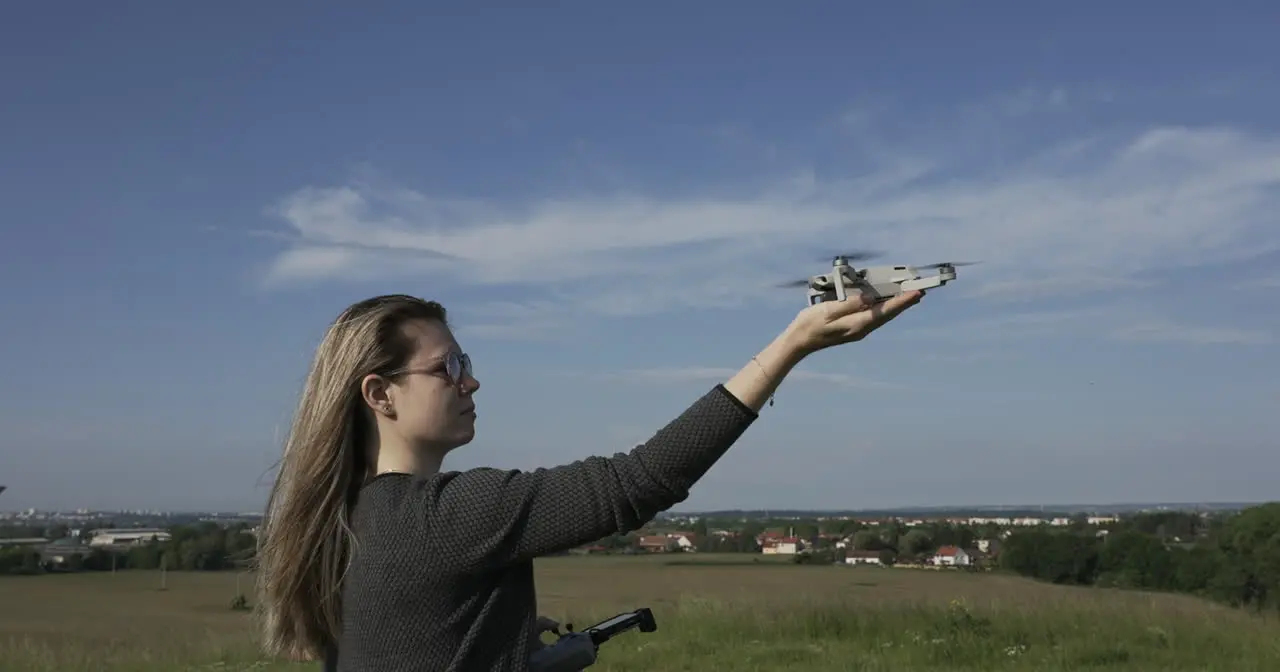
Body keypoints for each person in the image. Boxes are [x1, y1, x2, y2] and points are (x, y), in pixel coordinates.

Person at [254, 289, 925, 671]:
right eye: (448, 366)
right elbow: (640, 481)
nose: (471, 379)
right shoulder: (449, 516)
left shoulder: (347, 520)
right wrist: (790, 347)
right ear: (381, 395)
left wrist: (499, 638)